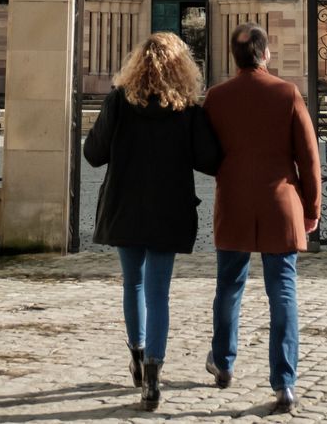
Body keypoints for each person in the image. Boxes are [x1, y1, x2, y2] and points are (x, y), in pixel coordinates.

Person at [83, 31, 222, 411]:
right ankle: (154, 373)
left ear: (136, 65)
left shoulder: (118, 102)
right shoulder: (187, 109)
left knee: (133, 283)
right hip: (169, 209)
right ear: (183, 67)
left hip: (124, 207)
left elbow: (92, 154)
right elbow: (210, 160)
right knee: (159, 292)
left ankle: (137, 352)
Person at [202, 23, 321, 415]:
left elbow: (203, 155)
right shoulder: (287, 93)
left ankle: (223, 363)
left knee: (229, 286)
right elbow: (308, 157)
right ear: (265, 54)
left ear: (233, 58)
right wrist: (312, 208)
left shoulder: (216, 97)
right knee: (282, 292)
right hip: (280, 205)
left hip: (234, 203)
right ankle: (285, 384)